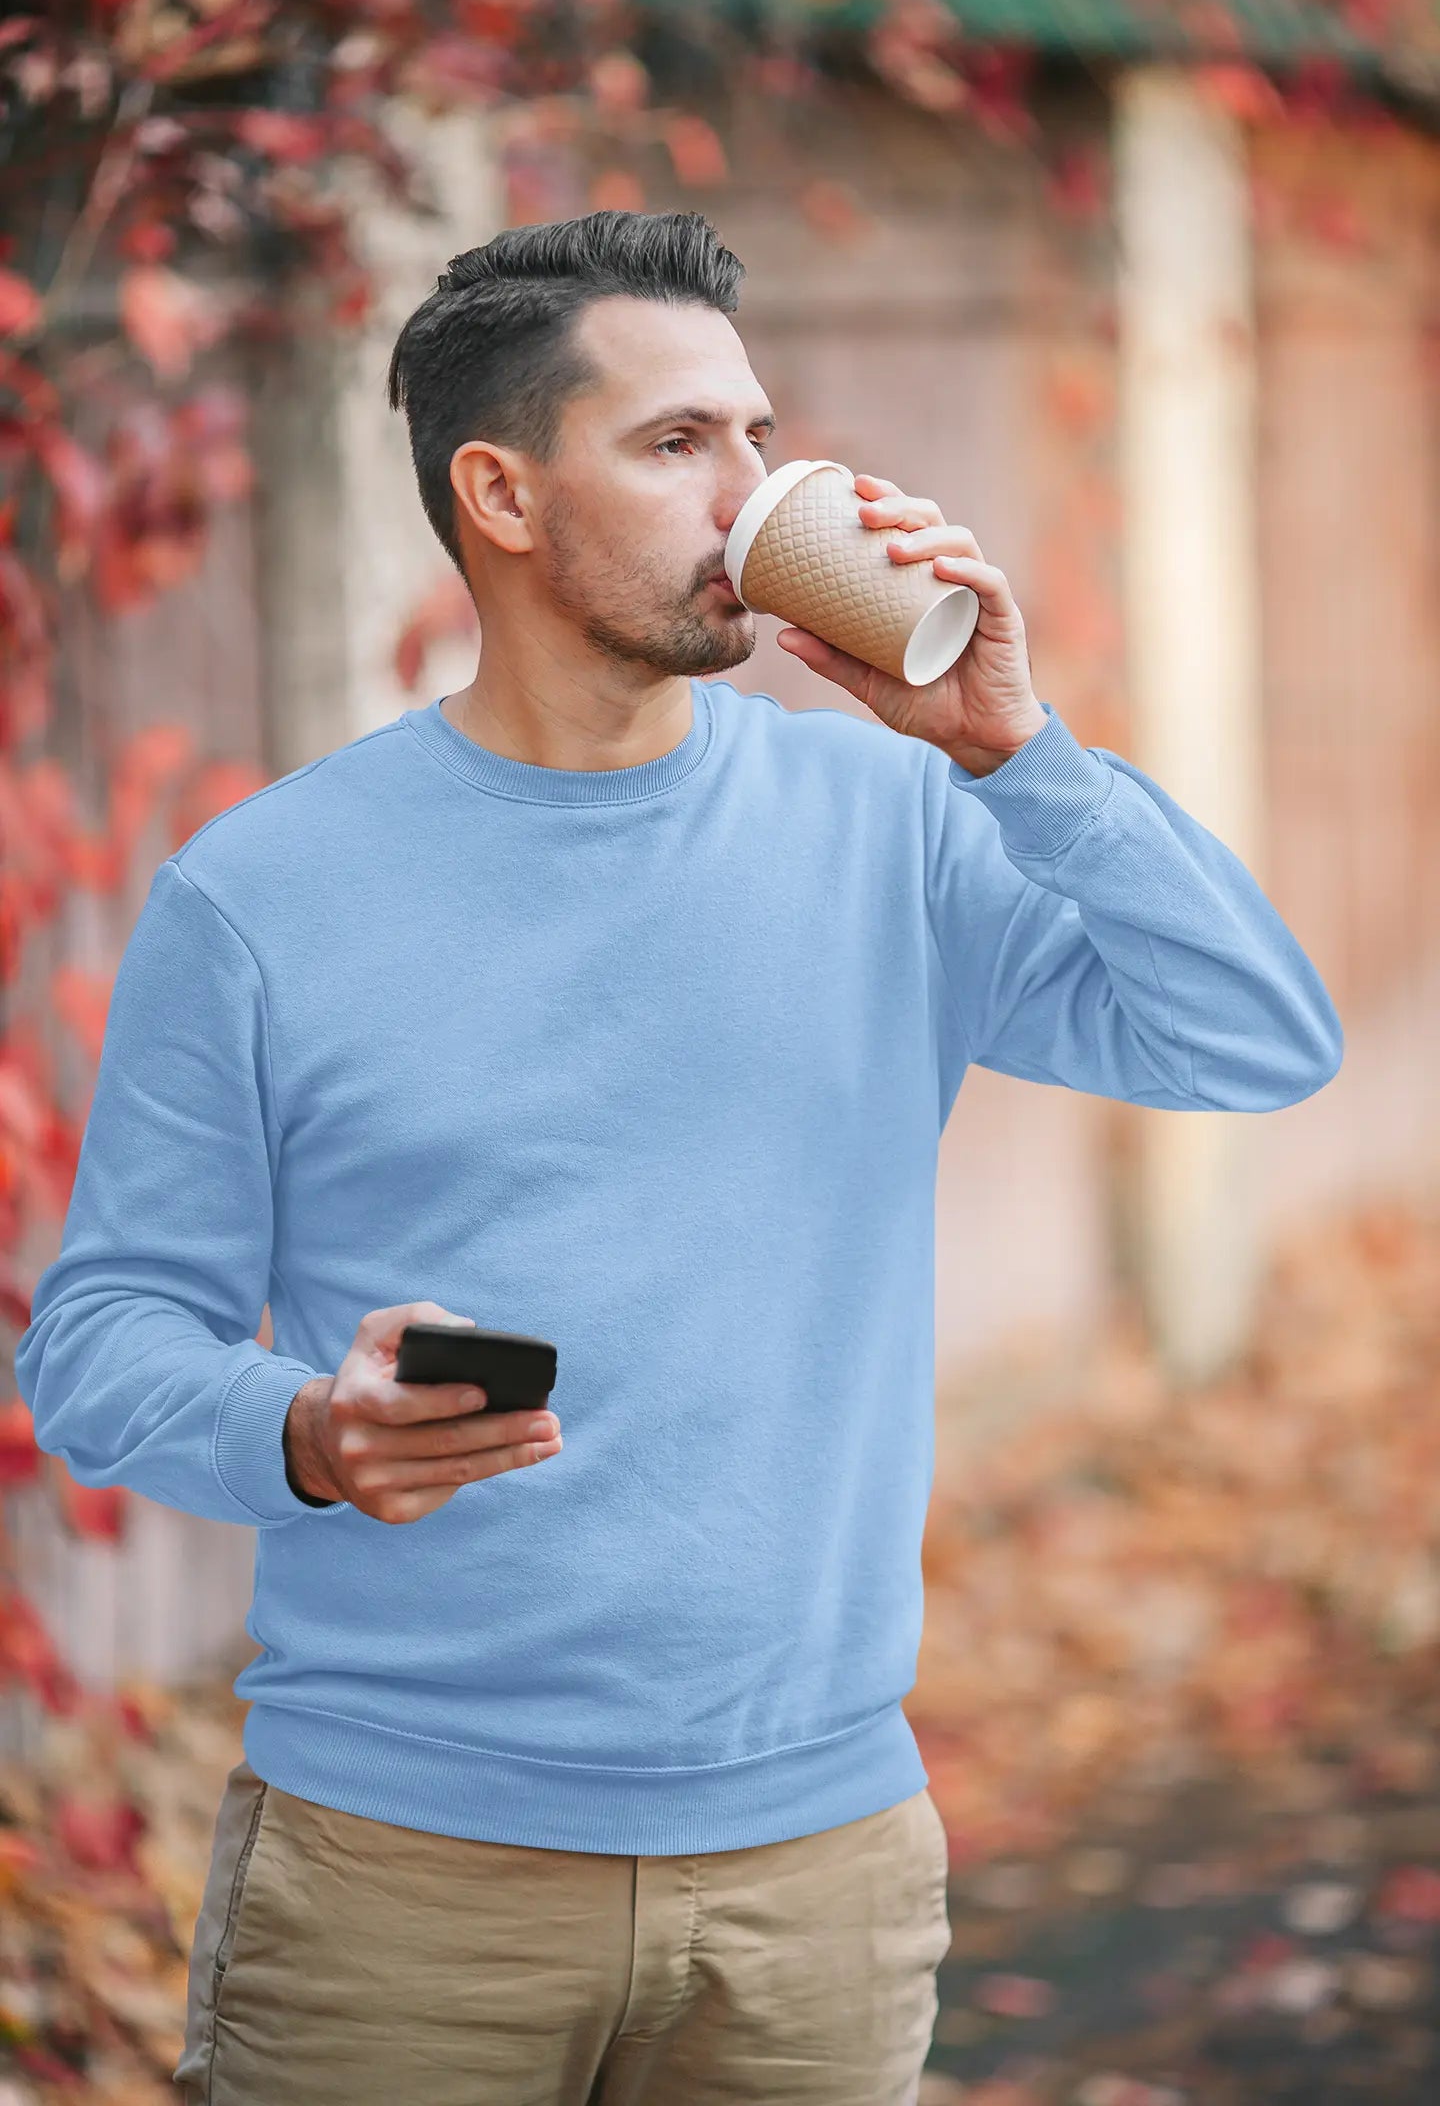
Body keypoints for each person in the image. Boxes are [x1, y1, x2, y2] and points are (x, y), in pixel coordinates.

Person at [14, 209, 1344, 2106]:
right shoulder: (259, 896)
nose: (756, 492)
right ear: (501, 494)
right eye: (676, 442)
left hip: (821, 1881)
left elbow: (1257, 1039)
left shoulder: (898, 820)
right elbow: (100, 1341)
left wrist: (1020, 754)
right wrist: (304, 1433)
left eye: (758, 434)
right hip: (402, 1883)